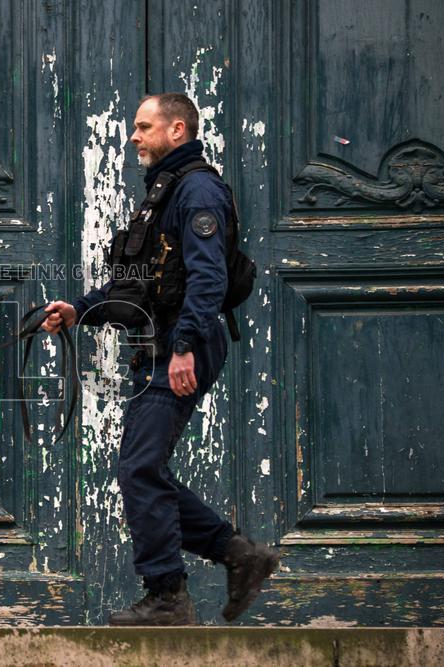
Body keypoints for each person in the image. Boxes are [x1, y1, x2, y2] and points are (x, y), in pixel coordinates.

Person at [42, 93, 278, 625]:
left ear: (177, 130)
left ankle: (169, 596)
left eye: (144, 127)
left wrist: (185, 347)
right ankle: (240, 556)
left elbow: (208, 279)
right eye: (133, 127)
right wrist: (78, 311)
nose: (133, 136)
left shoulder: (196, 190)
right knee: (143, 468)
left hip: (180, 344)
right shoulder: (162, 192)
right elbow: (138, 284)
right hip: (163, 342)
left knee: (139, 468)